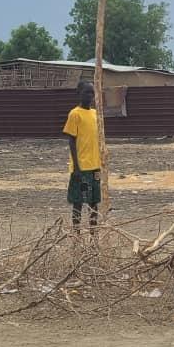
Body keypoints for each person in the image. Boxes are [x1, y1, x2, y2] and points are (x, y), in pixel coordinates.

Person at [63, 81, 102, 234]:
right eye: (87, 92)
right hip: (81, 168)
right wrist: (76, 166)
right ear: (78, 93)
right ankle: (77, 233)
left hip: (95, 167)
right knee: (78, 202)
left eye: (92, 93)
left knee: (94, 202)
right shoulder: (75, 114)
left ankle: (94, 234)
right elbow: (71, 140)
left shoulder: (95, 114)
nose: (90, 96)